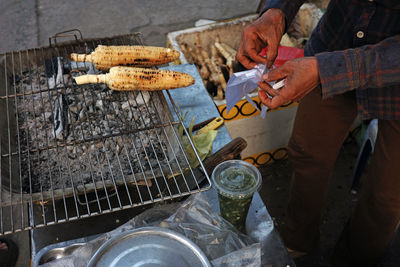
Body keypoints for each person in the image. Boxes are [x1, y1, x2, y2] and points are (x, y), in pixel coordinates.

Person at [236, 0, 400, 266]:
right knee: (307, 152)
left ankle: (356, 258)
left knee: (387, 197)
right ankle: (296, 243)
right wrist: (276, 11)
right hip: (336, 40)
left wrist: (326, 70)